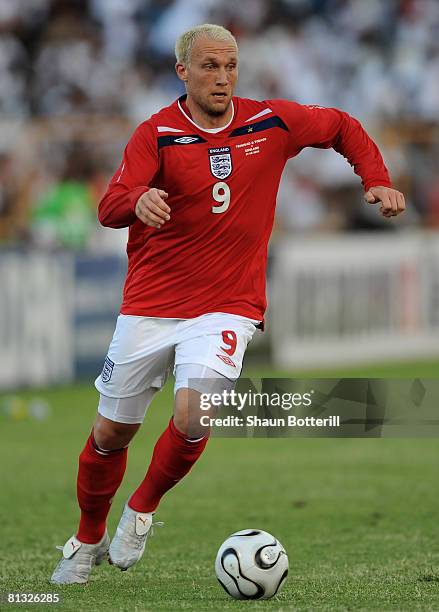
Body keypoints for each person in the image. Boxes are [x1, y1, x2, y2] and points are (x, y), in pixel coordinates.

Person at [51, 23, 405, 584]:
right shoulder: (157, 133)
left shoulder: (271, 120)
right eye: (210, 66)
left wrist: (376, 178)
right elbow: (109, 205)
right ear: (183, 71)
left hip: (227, 304)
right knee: (110, 434)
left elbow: (342, 125)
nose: (222, 77)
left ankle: (141, 511)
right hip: (151, 303)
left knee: (194, 415)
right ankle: (87, 536)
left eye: (231, 65)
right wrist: (138, 198)